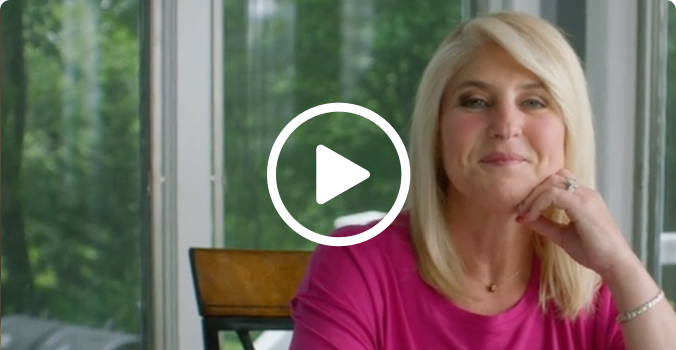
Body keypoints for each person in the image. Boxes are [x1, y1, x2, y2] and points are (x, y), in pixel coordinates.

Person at [288, 11, 676, 350]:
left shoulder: (603, 287)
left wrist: (621, 265)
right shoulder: (357, 264)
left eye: (534, 102)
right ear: (437, 133)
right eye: (475, 101)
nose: (506, 126)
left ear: (568, 132)